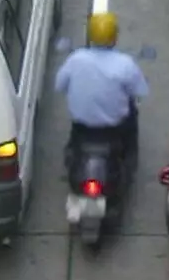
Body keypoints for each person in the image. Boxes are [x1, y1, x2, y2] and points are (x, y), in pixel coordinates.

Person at [55, 12, 149, 171]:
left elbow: (59, 86)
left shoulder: (75, 59)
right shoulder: (125, 64)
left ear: (90, 35)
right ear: (114, 37)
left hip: (82, 127)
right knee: (132, 114)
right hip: (115, 129)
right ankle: (130, 158)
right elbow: (140, 90)